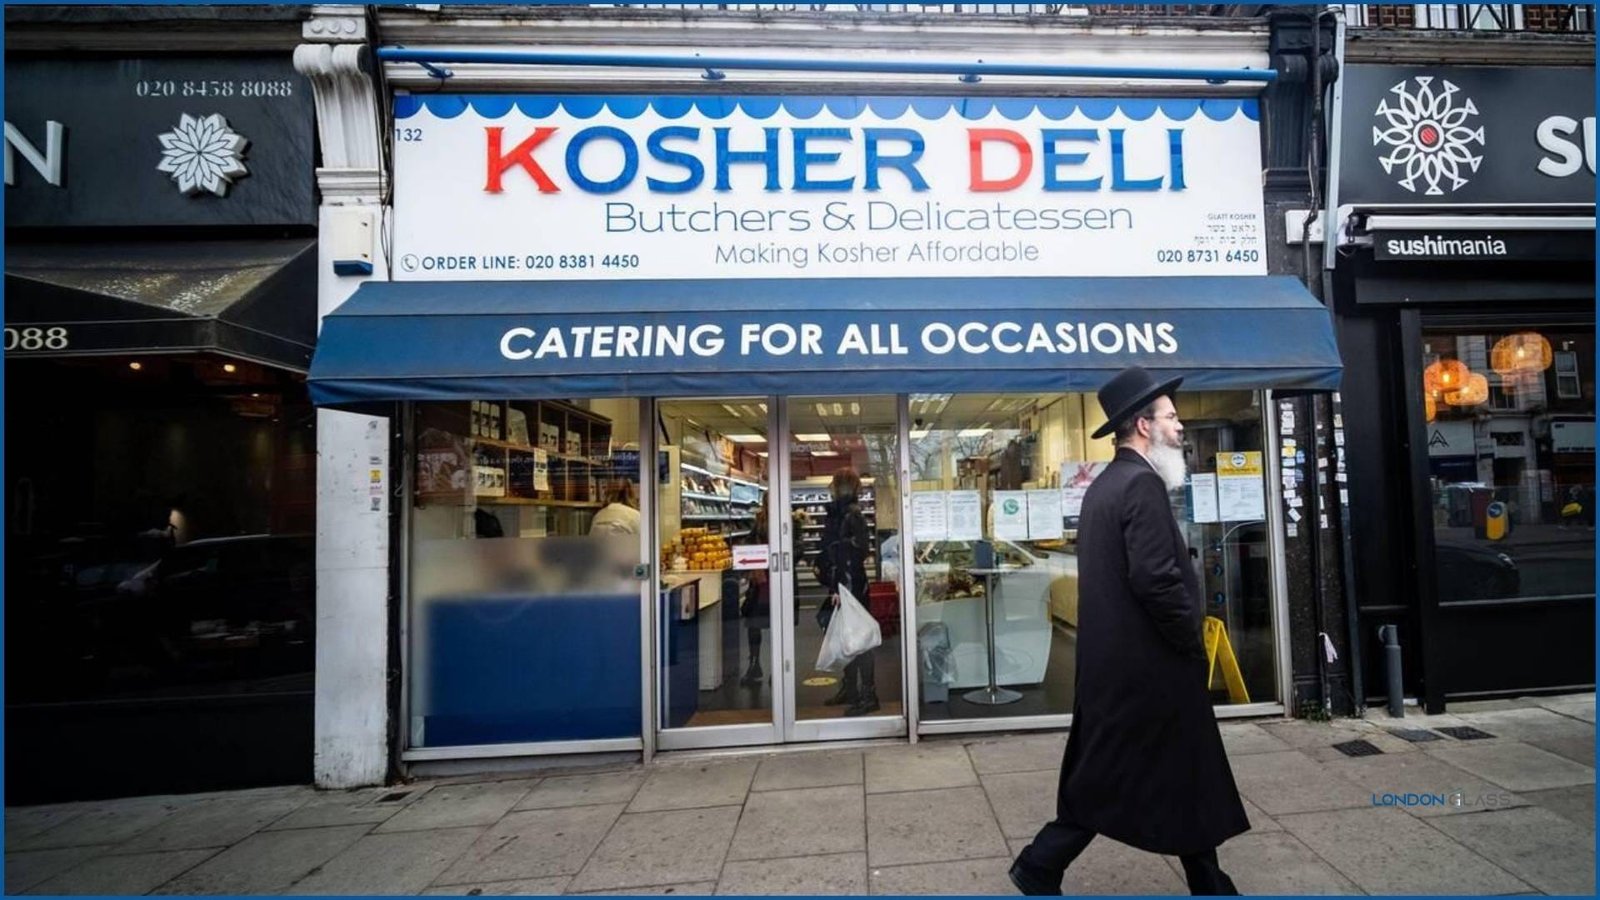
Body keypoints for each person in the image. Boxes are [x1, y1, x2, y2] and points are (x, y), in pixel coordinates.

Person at [1010, 366, 1248, 897]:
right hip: (1150, 667)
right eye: (1170, 417)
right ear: (1142, 426)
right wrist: (1188, 638)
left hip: (1122, 665)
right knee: (1113, 772)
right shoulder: (1140, 484)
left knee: (1175, 769)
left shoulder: (1105, 484)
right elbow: (1156, 580)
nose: (1180, 426)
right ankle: (1040, 863)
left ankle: (1209, 881)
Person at [817, 467, 878, 716]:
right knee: (846, 636)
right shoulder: (841, 513)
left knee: (859, 638)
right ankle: (851, 689)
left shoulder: (850, 514)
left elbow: (858, 552)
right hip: (845, 583)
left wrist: (842, 588)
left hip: (851, 584)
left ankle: (868, 694)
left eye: (834, 484)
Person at [738, 495, 772, 686]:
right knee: (753, 622)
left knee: (777, 625)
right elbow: (750, 542)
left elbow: (796, 547)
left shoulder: (787, 520)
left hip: (776, 579)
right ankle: (754, 663)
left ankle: (777, 667)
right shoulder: (759, 520)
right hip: (760, 580)